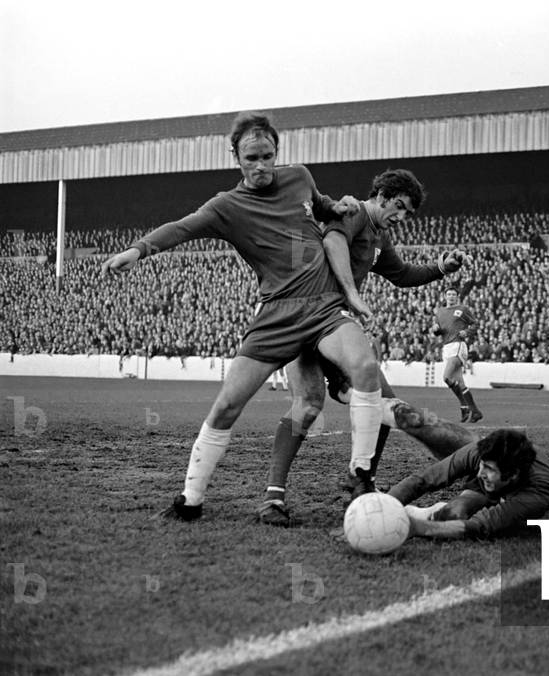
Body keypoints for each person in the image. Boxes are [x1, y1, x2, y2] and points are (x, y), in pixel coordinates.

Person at [102, 111, 383, 520]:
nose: (261, 165)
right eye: (251, 158)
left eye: (267, 156)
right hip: (277, 315)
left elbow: (319, 206)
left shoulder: (300, 176)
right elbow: (181, 228)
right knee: (227, 406)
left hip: (323, 306)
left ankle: (360, 475)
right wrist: (137, 250)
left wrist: (335, 206)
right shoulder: (227, 207)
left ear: (277, 153)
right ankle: (190, 500)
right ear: (235, 156)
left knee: (365, 366)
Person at [260, 169, 467, 525]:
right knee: (308, 405)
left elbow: (402, 274)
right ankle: (273, 497)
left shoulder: (379, 235)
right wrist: (352, 293)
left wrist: (440, 268)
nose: (401, 216)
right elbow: (334, 241)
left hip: (336, 327)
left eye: (407, 213)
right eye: (398, 206)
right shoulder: (354, 213)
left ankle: (361, 481)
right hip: (307, 317)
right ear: (382, 195)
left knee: (381, 402)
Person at [388, 429, 549, 540]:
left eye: (489, 468)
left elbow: (479, 526)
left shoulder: (542, 491)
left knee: (508, 528)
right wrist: (384, 503)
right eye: (482, 465)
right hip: (493, 486)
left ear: (513, 474)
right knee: (454, 514)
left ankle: (418, 518)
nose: (480, 473)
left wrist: (417, 528)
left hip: (519, 497)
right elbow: (424, 479)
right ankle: (420, 512)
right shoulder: (476, 452)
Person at [431, 287, 483, 422]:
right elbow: (439, 331)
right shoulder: (440, 312)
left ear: (457, 296)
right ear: (445, 296)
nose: (451, 296)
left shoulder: (463, 309)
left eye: (453, 294)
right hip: (446, 347)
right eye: (449, 294)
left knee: (447, 377)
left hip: (458, 345)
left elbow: (475, 324)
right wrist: (435, 330)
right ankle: (474, 411)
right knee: (460, 383)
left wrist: (467, 332)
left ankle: (464, 406)